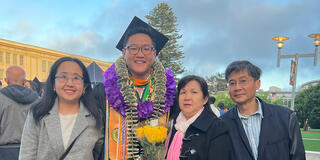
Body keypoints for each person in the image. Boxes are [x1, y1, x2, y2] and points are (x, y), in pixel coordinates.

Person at [103, 16, 176, 159]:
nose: (140, 54)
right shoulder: (103, 91)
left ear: (154, 54)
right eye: (133, 48)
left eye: (146, 49)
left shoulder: (170, 92)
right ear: (124, 53)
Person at [19, 57, 105, 160]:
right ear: (53, 84)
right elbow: (27, 155)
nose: (69, 83)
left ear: (84, 87)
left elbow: (97, 154)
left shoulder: (96, 116)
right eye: (63, 77)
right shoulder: (38, 113)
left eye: (76, 78)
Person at [221, 60, 305, 160]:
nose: (237, 87)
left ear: (257, 84)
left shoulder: (286, 118)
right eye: (232, 83)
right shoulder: (221, 124)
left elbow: (298, 157)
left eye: (243, 81)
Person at [164, 75, 233, 160]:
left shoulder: (217, 128)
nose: (187, 97)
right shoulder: (172, 125)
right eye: (183, 92)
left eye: (194, 92)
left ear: (205, 99)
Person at [0, 66, 38, 160]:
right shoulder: (38, 100)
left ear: (6, 80)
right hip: (32, 150)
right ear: (25, 81)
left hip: (5, 152)